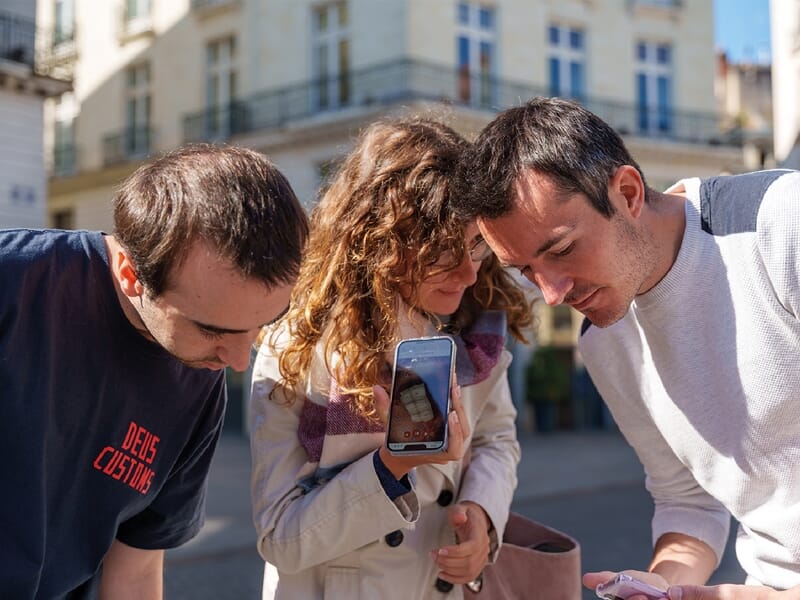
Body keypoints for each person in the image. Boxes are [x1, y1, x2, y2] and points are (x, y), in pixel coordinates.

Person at [451, 96, 800, 598]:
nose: (552, 293)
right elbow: (688, 501)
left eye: (563, 249)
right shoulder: (603, 340)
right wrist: (663, 585)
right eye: (526, 270)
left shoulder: (778, 225)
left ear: (628, 193)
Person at [0, 144, 309, 598]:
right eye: (212, 330)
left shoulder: (202, 384)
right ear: (128, 271)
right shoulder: (14, 285)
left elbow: (138, 570)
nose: (241, 361)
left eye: (265, 323)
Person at [249, 117, 533, 599]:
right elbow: (281, 538)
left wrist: (483, 516)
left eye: (477, 245)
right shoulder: (296, 345)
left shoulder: (475, 328)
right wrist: (390, 467)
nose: (467, 272)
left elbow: (496, 439)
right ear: (380, 243)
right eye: (443, 251)